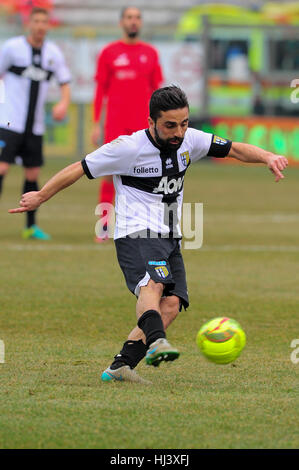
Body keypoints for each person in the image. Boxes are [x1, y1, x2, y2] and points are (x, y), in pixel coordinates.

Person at [9, 86, 288, 384]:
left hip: (170, 234)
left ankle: (121, 366)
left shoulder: (189, 140)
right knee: (153, 285)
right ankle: (157, 342)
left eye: (184, 123)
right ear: (151, 121)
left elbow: (233, 149)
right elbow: (80, 168)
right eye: (170, 125)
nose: (178, 132)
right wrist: (41, 195)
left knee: (172, 303)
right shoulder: (127, 148)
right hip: (136, 232)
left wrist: (267, 156)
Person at [91, 6, 163, 242]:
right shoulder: (109, 53)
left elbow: (158, 92)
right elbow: (100, 90)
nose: (134, 22)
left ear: (141, 23)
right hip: (115, 125)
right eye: (129, 18)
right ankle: (103, 227)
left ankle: (143, 225)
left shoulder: (151, 53)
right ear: (121, 22)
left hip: (144, 127)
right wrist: (95, 123)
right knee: (109, 174)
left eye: (137, 18)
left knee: (147, 174)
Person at [0, 6, 71, 240]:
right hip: (9, 122)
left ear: (48, 25)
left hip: (35, 126)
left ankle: (30, 226)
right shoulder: (12, 48)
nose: (40, 26)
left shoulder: (53, 53)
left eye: (44, 22)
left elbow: (64, 81)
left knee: (32, 174)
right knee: (1, 168)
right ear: (28, 24)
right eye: (36, 21)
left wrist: (63, 102)